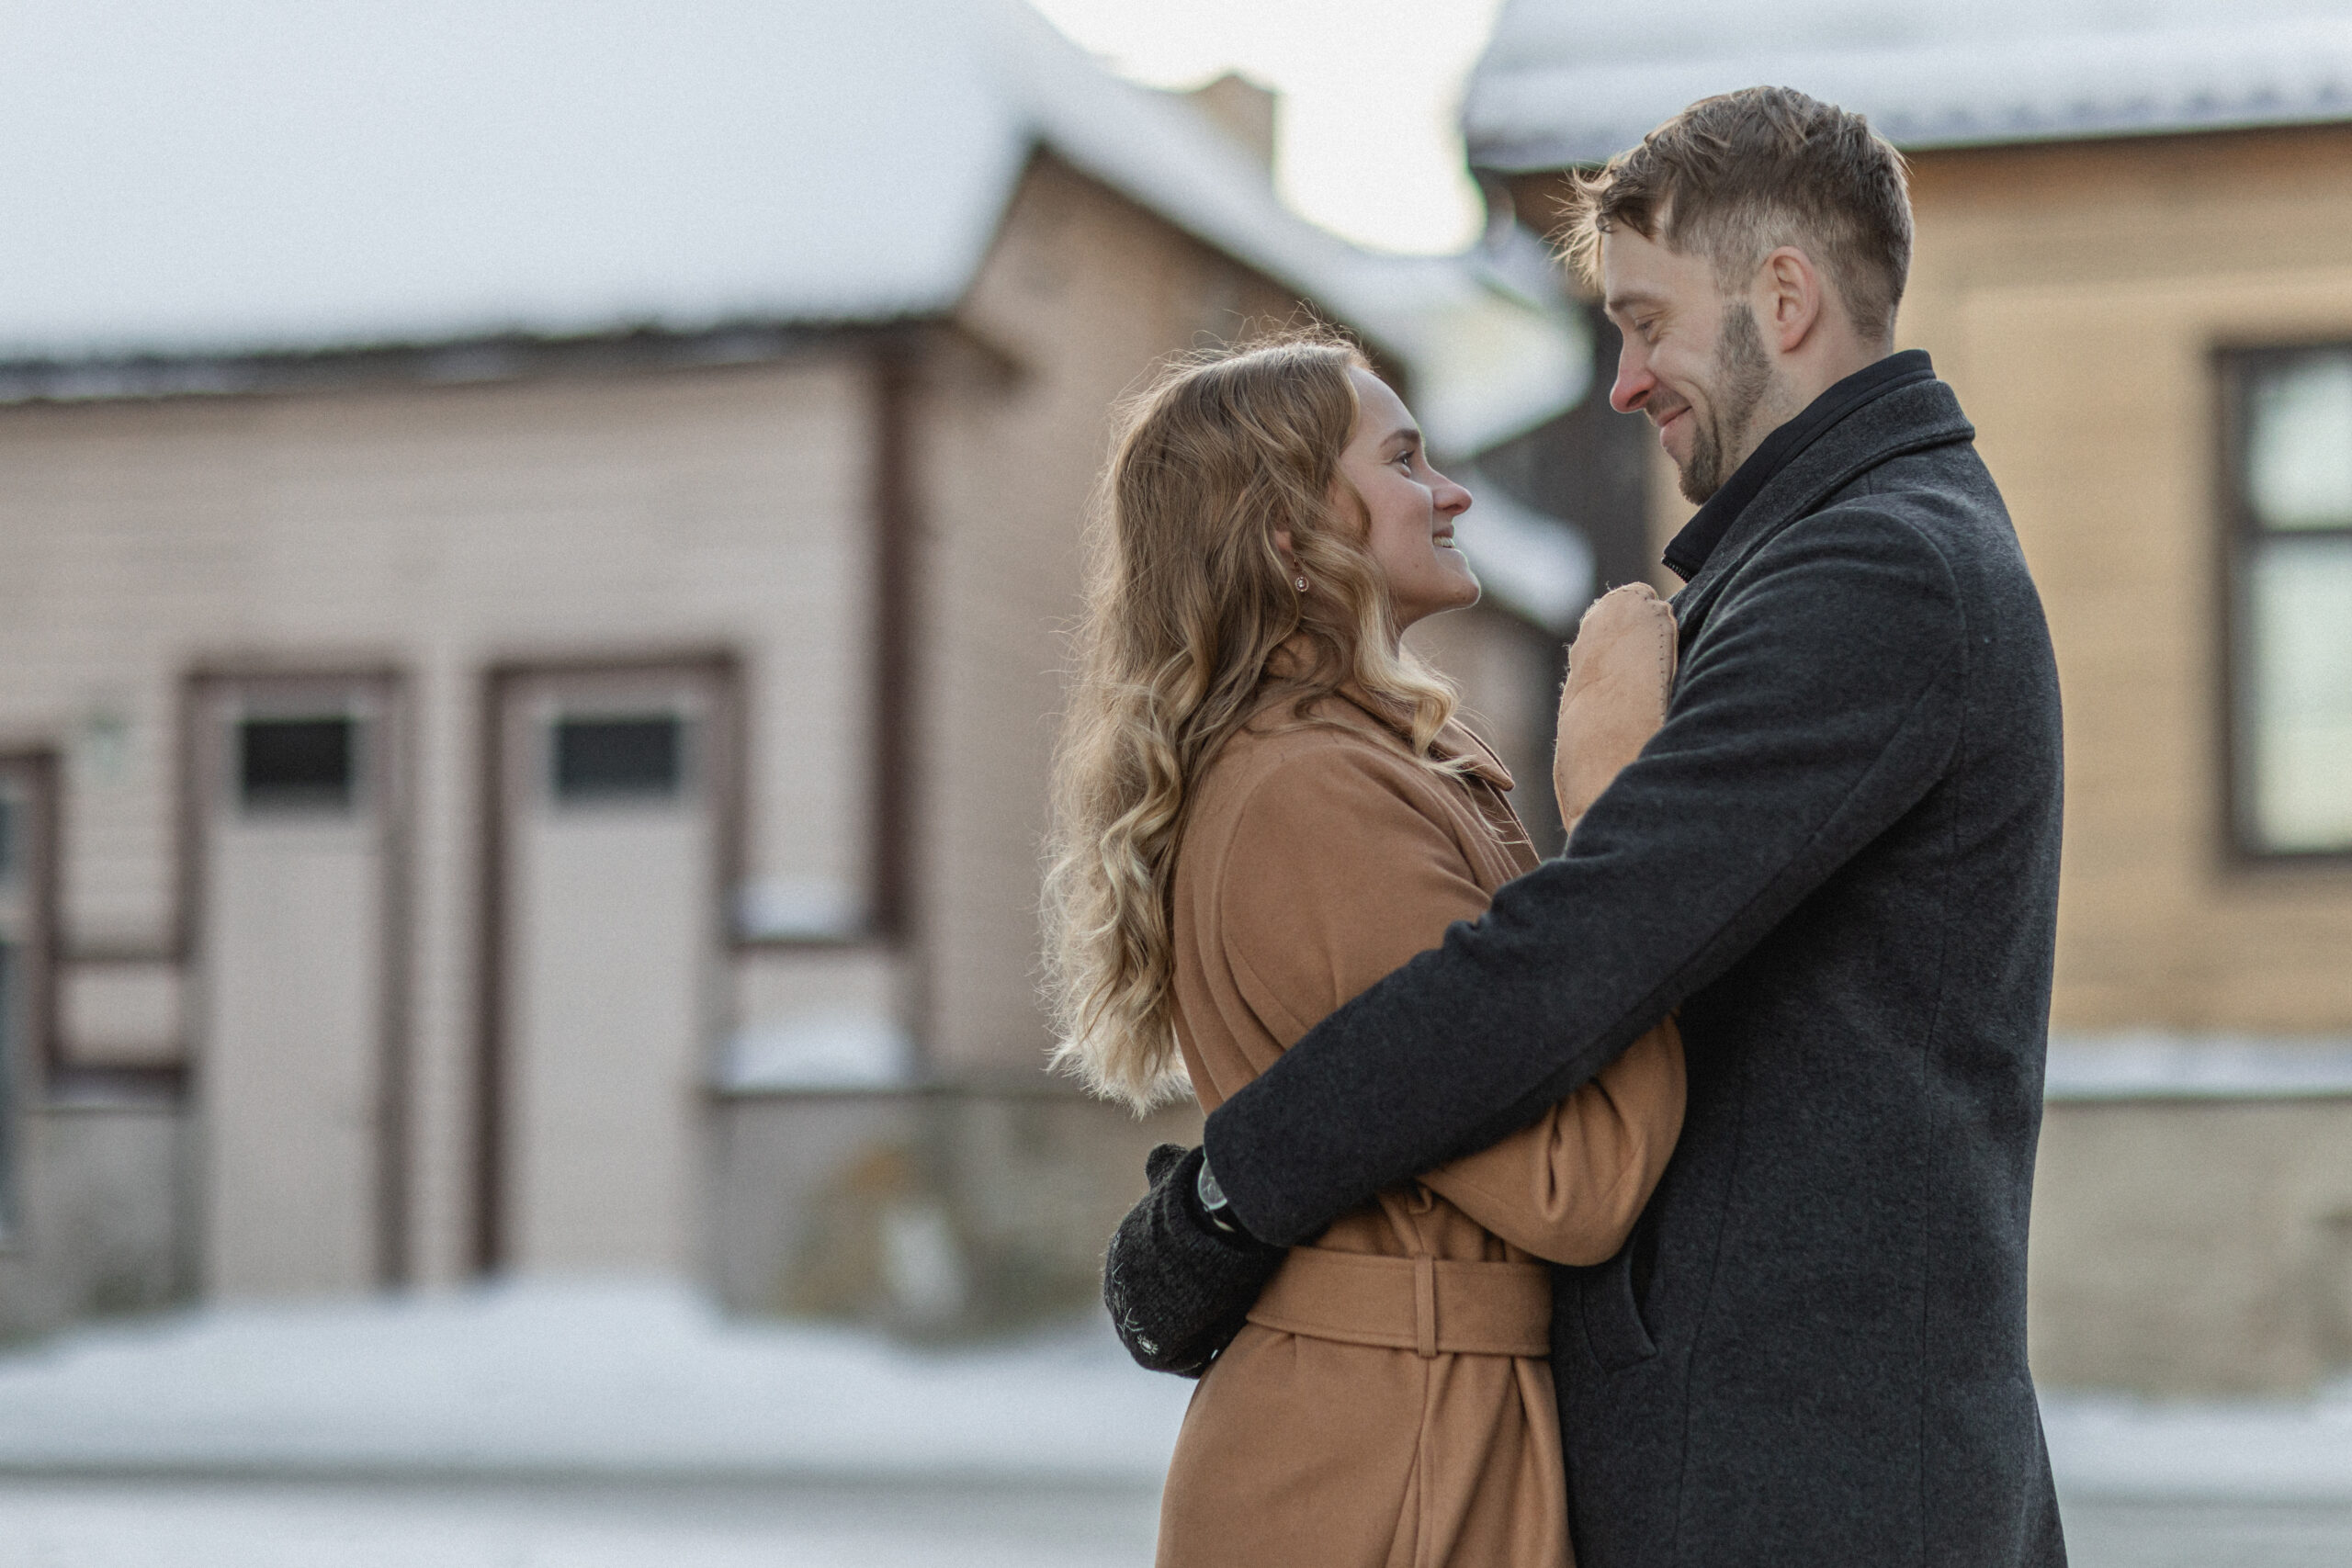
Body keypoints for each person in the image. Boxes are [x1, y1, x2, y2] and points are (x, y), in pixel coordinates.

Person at [1102, 87, 2070, 1568]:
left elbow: (1578, 952)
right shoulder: (1831, 557)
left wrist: (1231, 1198)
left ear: (1785, 299)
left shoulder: (1875, 573)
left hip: (1803, 1472)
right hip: (1762, 1455)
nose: (1622, 383)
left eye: (1645, 322)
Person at [1042, 334, 1688, 1566]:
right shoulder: (1313, 796)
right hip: (1389, 1462)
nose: (1453, 494)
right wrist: (1633, 819)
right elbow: (1575, 1180)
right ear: (1290, 536)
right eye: (1404, 462)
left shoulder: (1356, 765)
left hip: (1412, 1426)